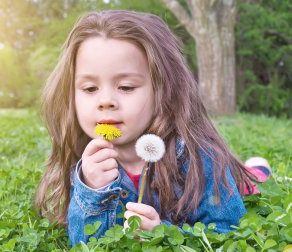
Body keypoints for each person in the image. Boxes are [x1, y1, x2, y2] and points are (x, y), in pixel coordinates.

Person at [34, 10, 269, 246]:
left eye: (125, 87)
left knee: (250, 184)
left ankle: (253, 172)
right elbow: (85, 245)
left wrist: (161, 233)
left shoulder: (199, 157)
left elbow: (230, 233)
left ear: (163, 90)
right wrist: (93, 191)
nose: (105, 101)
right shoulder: (87, 166)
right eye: (90, 89)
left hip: (220, 178)